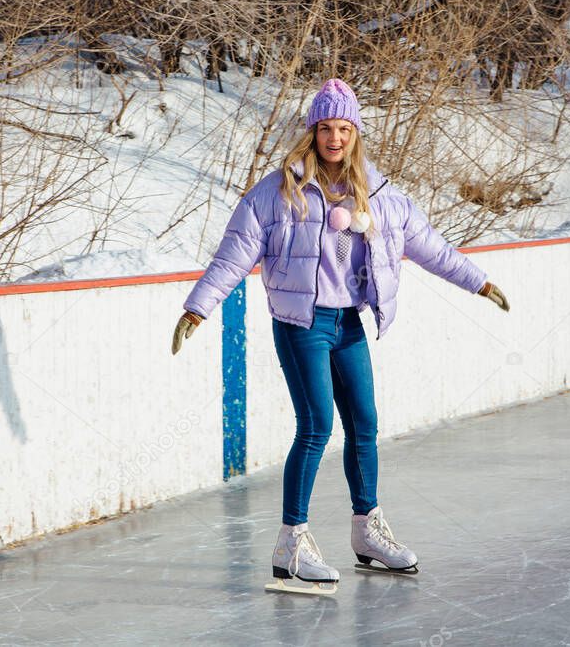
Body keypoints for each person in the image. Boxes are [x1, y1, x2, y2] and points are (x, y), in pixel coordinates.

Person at [172, 79, 510, 594]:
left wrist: (478, 282)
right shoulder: (278, 191)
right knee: (315, 426)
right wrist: (197, 308)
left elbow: (429, 246)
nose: (335, 138)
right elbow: (234, 253)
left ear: (355, 134)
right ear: (312, 132)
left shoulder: (378, 194)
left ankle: (366, 531)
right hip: (301, 324)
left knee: (365, 423)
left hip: (348, 322)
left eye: (344, 128)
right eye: (326, 128)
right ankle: (291, 545)